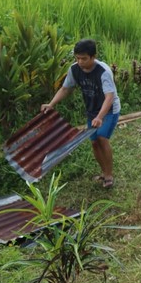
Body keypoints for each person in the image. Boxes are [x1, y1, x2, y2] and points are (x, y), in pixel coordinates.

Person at [41, 39, 121, 189]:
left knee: (102, 138)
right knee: (94, 142)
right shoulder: (74, 69)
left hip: (109, 110)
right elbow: (65, 89)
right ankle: (103, 173)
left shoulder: (103, 71)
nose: (80, 62)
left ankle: (109, 175)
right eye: (77, 58)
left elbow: (109, 97)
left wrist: (100, 117)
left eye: (84, 58)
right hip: (92, 111)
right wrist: (51, 104)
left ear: (93, 56)